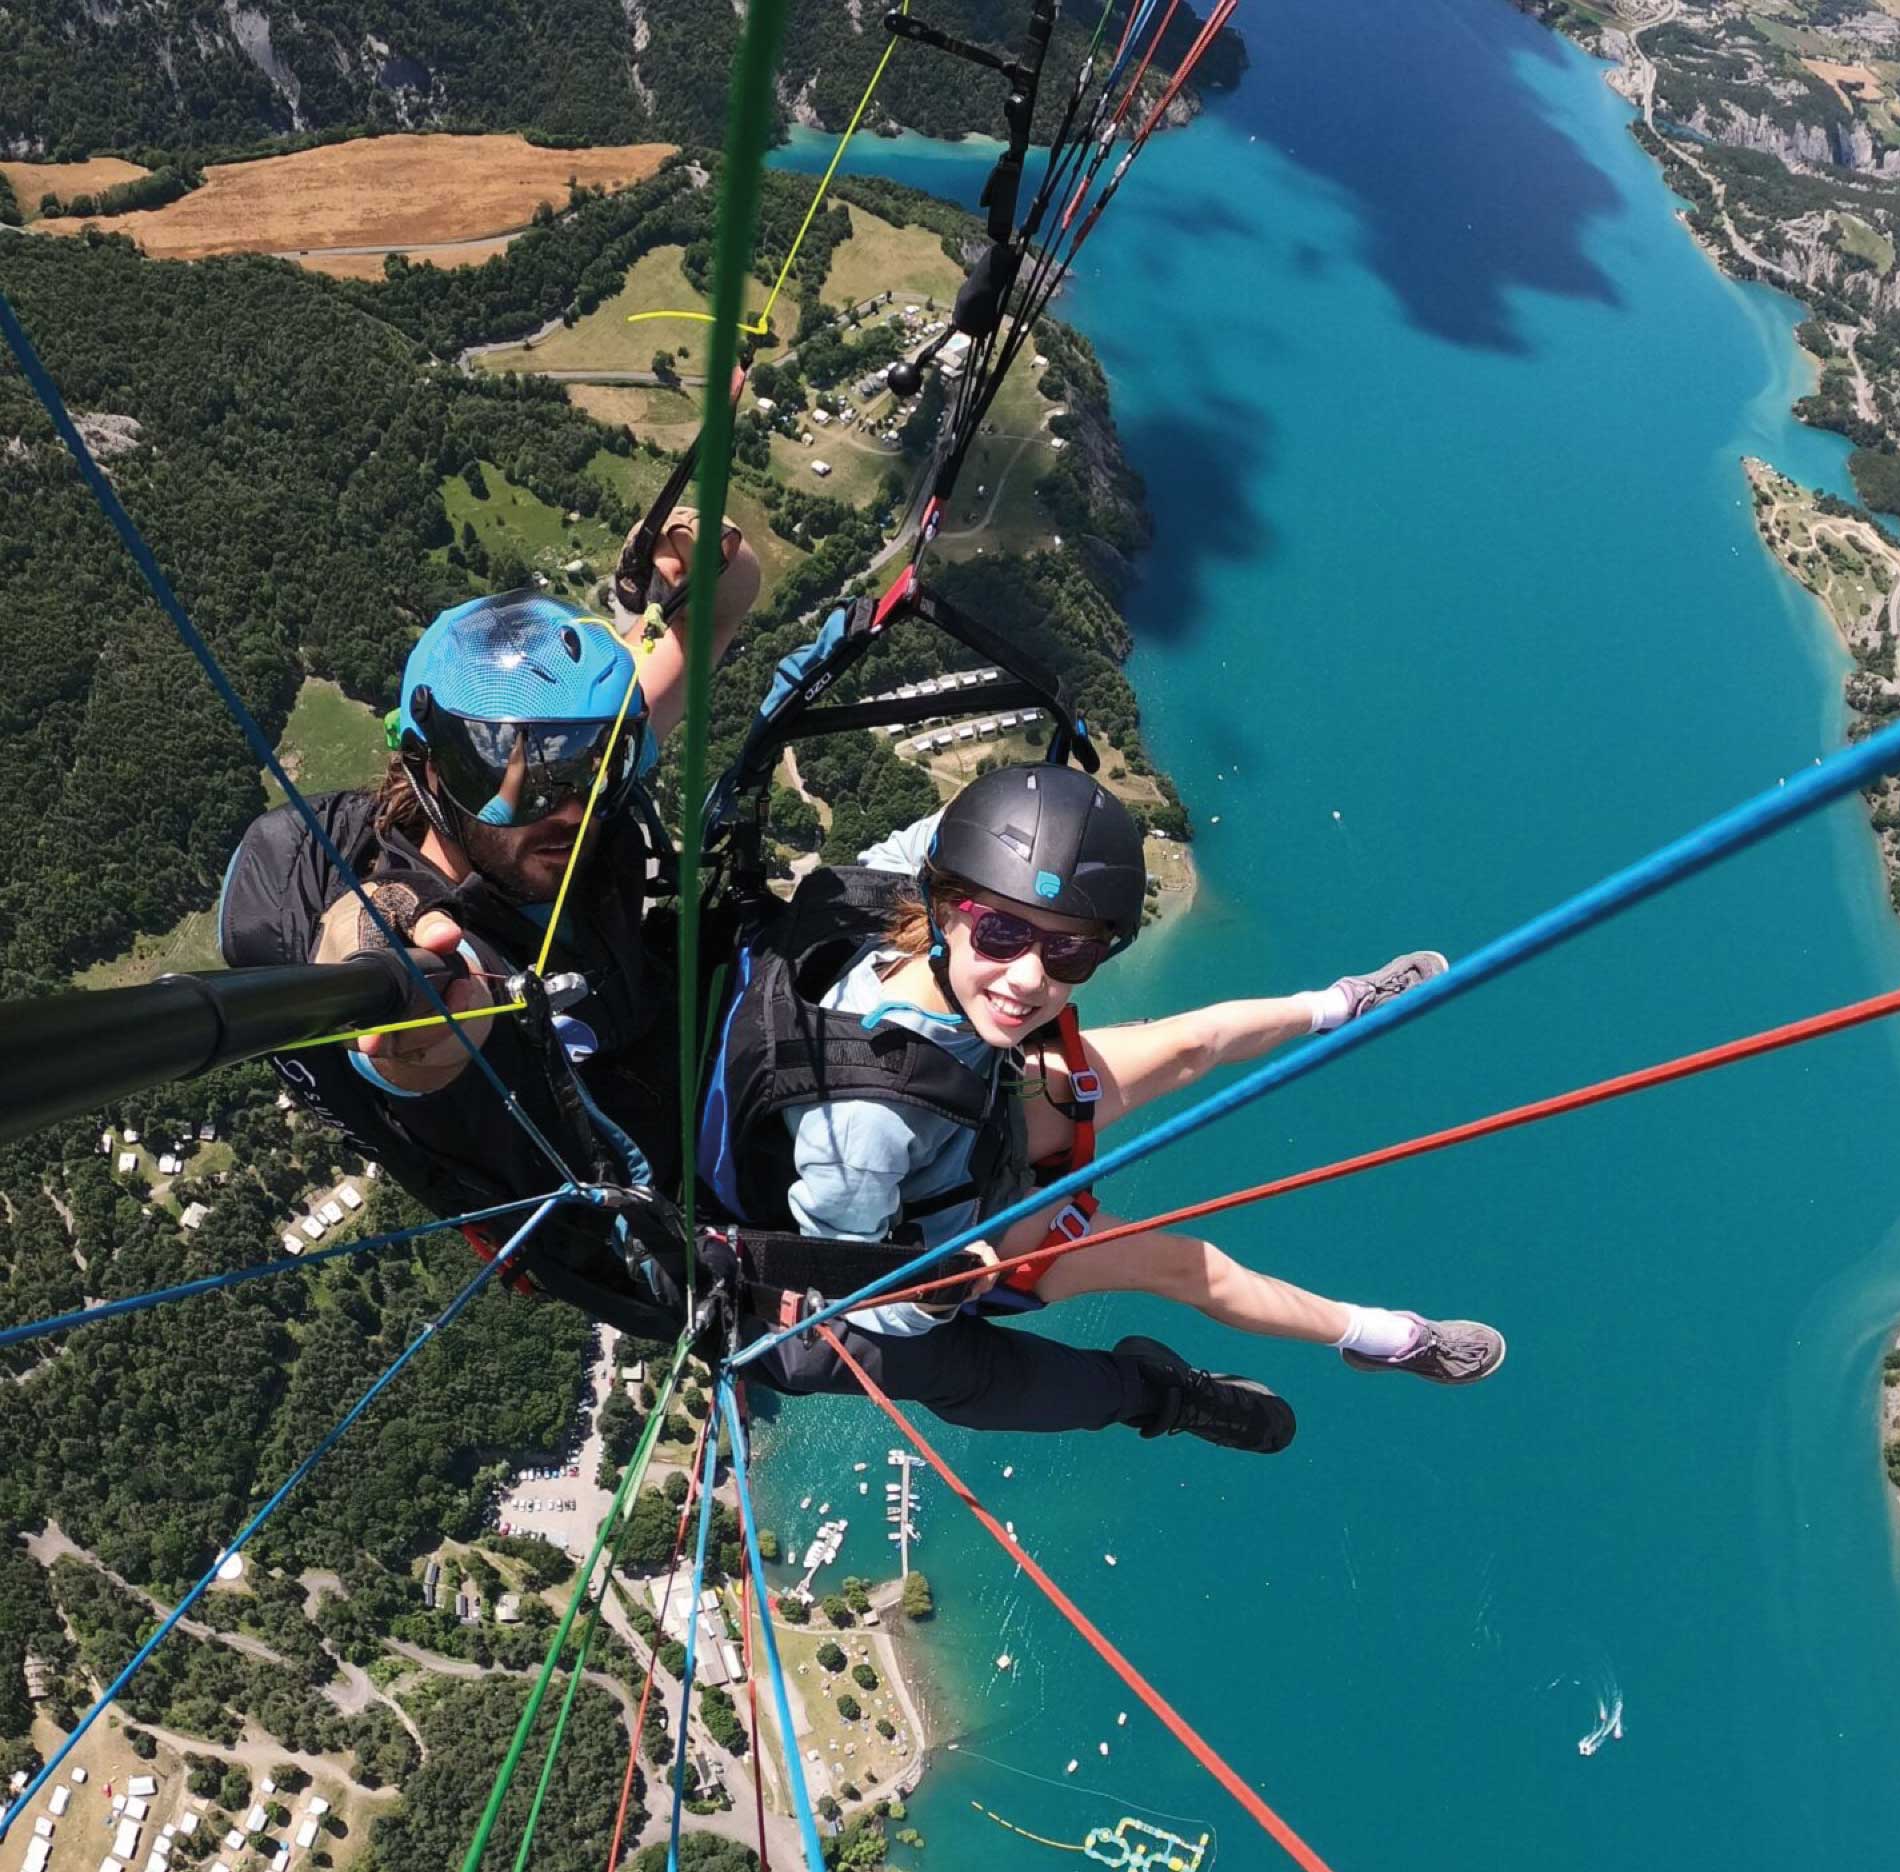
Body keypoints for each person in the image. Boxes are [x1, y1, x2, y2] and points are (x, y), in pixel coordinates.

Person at [713, 761, 1505, 1452]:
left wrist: (1052, 811)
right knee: (1188, 1265)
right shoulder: (861, 1133)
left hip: (976, 1109)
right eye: (1001, 935)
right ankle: (1384, 1337)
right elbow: (855, 1296)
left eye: (1071, 951)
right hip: (960, 1218)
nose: (1029, 979)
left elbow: (961, 835)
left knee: (1194, 1042)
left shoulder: (898, 886)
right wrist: (944, 1292)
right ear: (948, 908)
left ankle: (1339, 1006)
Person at [218, 510, 760, 1333]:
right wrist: (392, 1012)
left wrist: (710, 549)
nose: (565, 808)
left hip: (672, 1072)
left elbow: (719, 615)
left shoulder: (570, 781)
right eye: (519, 775)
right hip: (647, 1216)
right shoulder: (421, 922)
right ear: (430, 771)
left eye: (591, 766)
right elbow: (395, 1019)